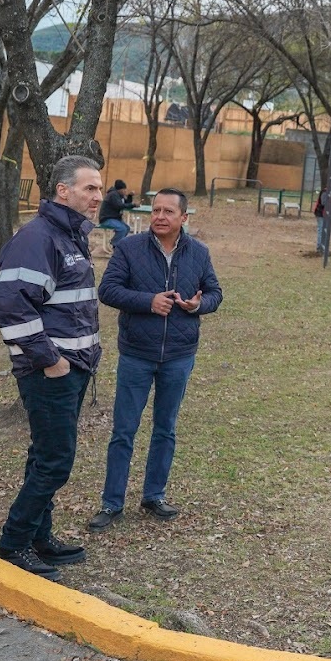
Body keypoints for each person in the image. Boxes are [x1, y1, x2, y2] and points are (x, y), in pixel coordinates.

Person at [0, 155, 104, 581]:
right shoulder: (38, 238)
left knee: (44, 456)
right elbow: (13, 306)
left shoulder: (69, 235)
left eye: (98, 188)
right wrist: (52, 362)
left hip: (73, 369)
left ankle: (41, 537)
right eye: (89, 188)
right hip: (51, 373)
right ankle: (13, 544)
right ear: (63, 191)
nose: (97, 197)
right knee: (56, 461)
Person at [88, 188, 222, 531]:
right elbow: (107, 290)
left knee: (166, 429)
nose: (160, 217)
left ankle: (154, 496)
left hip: (179, 355)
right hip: (137, 354)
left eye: (168, 212)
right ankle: (112, 502)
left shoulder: (199, 253)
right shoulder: (130, 248)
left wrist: (198, 305)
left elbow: (215, 293)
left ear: (184, 218)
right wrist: (148, 301)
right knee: (124, 430)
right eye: (156, 210)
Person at [98, 179, 136, 245]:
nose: (125, 191)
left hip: (115, 218)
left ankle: (117, 243)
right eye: (124, 189)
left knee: (127, 228)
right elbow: (119, 206)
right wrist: (133, 205)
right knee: (122, 229)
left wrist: (130, 196)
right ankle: (115, 244)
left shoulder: (119, 195)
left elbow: (126, 203)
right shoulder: (113, 195)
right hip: (106, 218)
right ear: (120, 189)